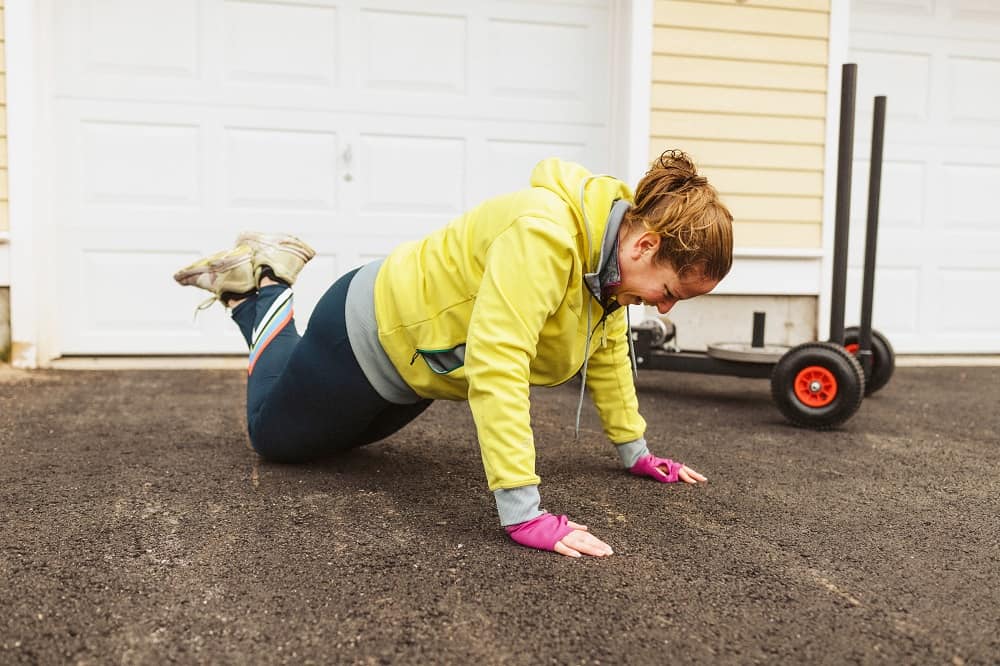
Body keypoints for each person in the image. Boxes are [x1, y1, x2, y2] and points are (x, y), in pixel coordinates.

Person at [173, 149, 733, 558]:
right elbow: (499, 364)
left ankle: (262, 290)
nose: (663, 310)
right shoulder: (544, 236)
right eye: (670, 293)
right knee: (275, 438)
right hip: (364, 333)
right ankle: (261, 293)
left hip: (419, 373)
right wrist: (524, 514)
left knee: (336, 448)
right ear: (646, 245)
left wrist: (635, 451)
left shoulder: (609, 265)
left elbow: (605, 350)